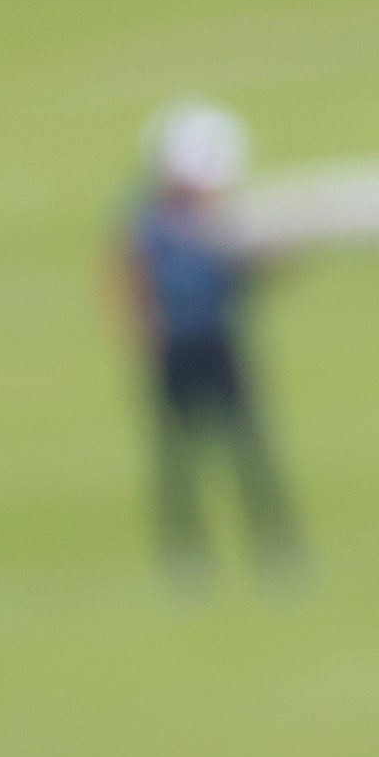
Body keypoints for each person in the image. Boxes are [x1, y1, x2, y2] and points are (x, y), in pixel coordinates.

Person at [117, 99, 304, 587]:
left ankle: (274, 544)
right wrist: (147, 333)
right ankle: (185, 553)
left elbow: (247, 275)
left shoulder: (220, 218)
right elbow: (131, 278)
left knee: (249, 447)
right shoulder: (150, 218)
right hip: (173, 350)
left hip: (220, 342)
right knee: (177, 458)